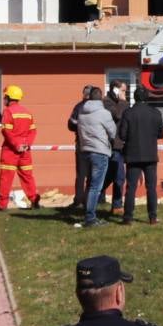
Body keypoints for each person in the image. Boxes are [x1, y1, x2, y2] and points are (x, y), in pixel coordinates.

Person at [118, 87, 163, 226]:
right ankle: (152, 217)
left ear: (135, 97)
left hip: (133, 155)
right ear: (147, 97)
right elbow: (161, 134)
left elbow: (122, 135)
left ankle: (128, 218)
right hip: (150, 155)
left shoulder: (128, 113)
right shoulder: (155, 113)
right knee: (151, 188)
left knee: (131, 187)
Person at [75, 88, 117, 228]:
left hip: (85, 150)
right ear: (101, 98)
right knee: (95, 187)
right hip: (100, 151)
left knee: (90, 184)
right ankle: (90, 218)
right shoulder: (104, 113)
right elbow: (113, 132)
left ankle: (88, 214)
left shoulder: (81, 112)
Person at [0, 84, 40, 211]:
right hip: (25, 151)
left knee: (6, 177)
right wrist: (26, 145)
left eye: (5, 97)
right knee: (27, 176)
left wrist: (16, 145)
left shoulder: (8, 111)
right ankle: (34, 199)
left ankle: (2, 205)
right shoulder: (27, 112)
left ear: (9, 97)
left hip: (11, 150)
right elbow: (33, 131)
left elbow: (6, 132)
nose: (4, 99)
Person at [101, 80, 130, 215]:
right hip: (112, 145)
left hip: (121, 144)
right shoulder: (106, 102)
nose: (125, 94)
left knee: (115, 175)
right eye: (123, 90)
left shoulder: (121, 104)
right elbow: (117, 115)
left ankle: (115, 204)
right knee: (117, 176)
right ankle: (116, 205)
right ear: (115, 90)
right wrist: (123, 102)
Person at [67, 84, 94, 213]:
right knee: (93, 174)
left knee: (81, 174)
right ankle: (89, 200)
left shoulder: (79, 107)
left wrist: (79, 128)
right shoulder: (99, 107)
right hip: (95, 145)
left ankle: (79, 199)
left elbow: (70, 124)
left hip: (82, 144)